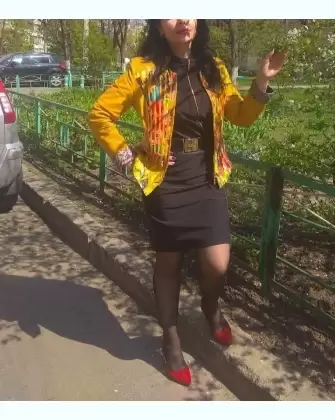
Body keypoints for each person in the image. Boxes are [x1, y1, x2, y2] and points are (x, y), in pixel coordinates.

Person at [88, 19, 286, 387]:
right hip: (165, 180)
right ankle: (171, 337)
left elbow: (241, 116)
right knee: (169, 262)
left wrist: (261, 82)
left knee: (217, 263)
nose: (183, 20)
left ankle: (210, 306)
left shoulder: (214, 68)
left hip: (207, 174)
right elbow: (100, 115)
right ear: (158, 26)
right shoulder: (142, 70)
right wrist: (126, 156)